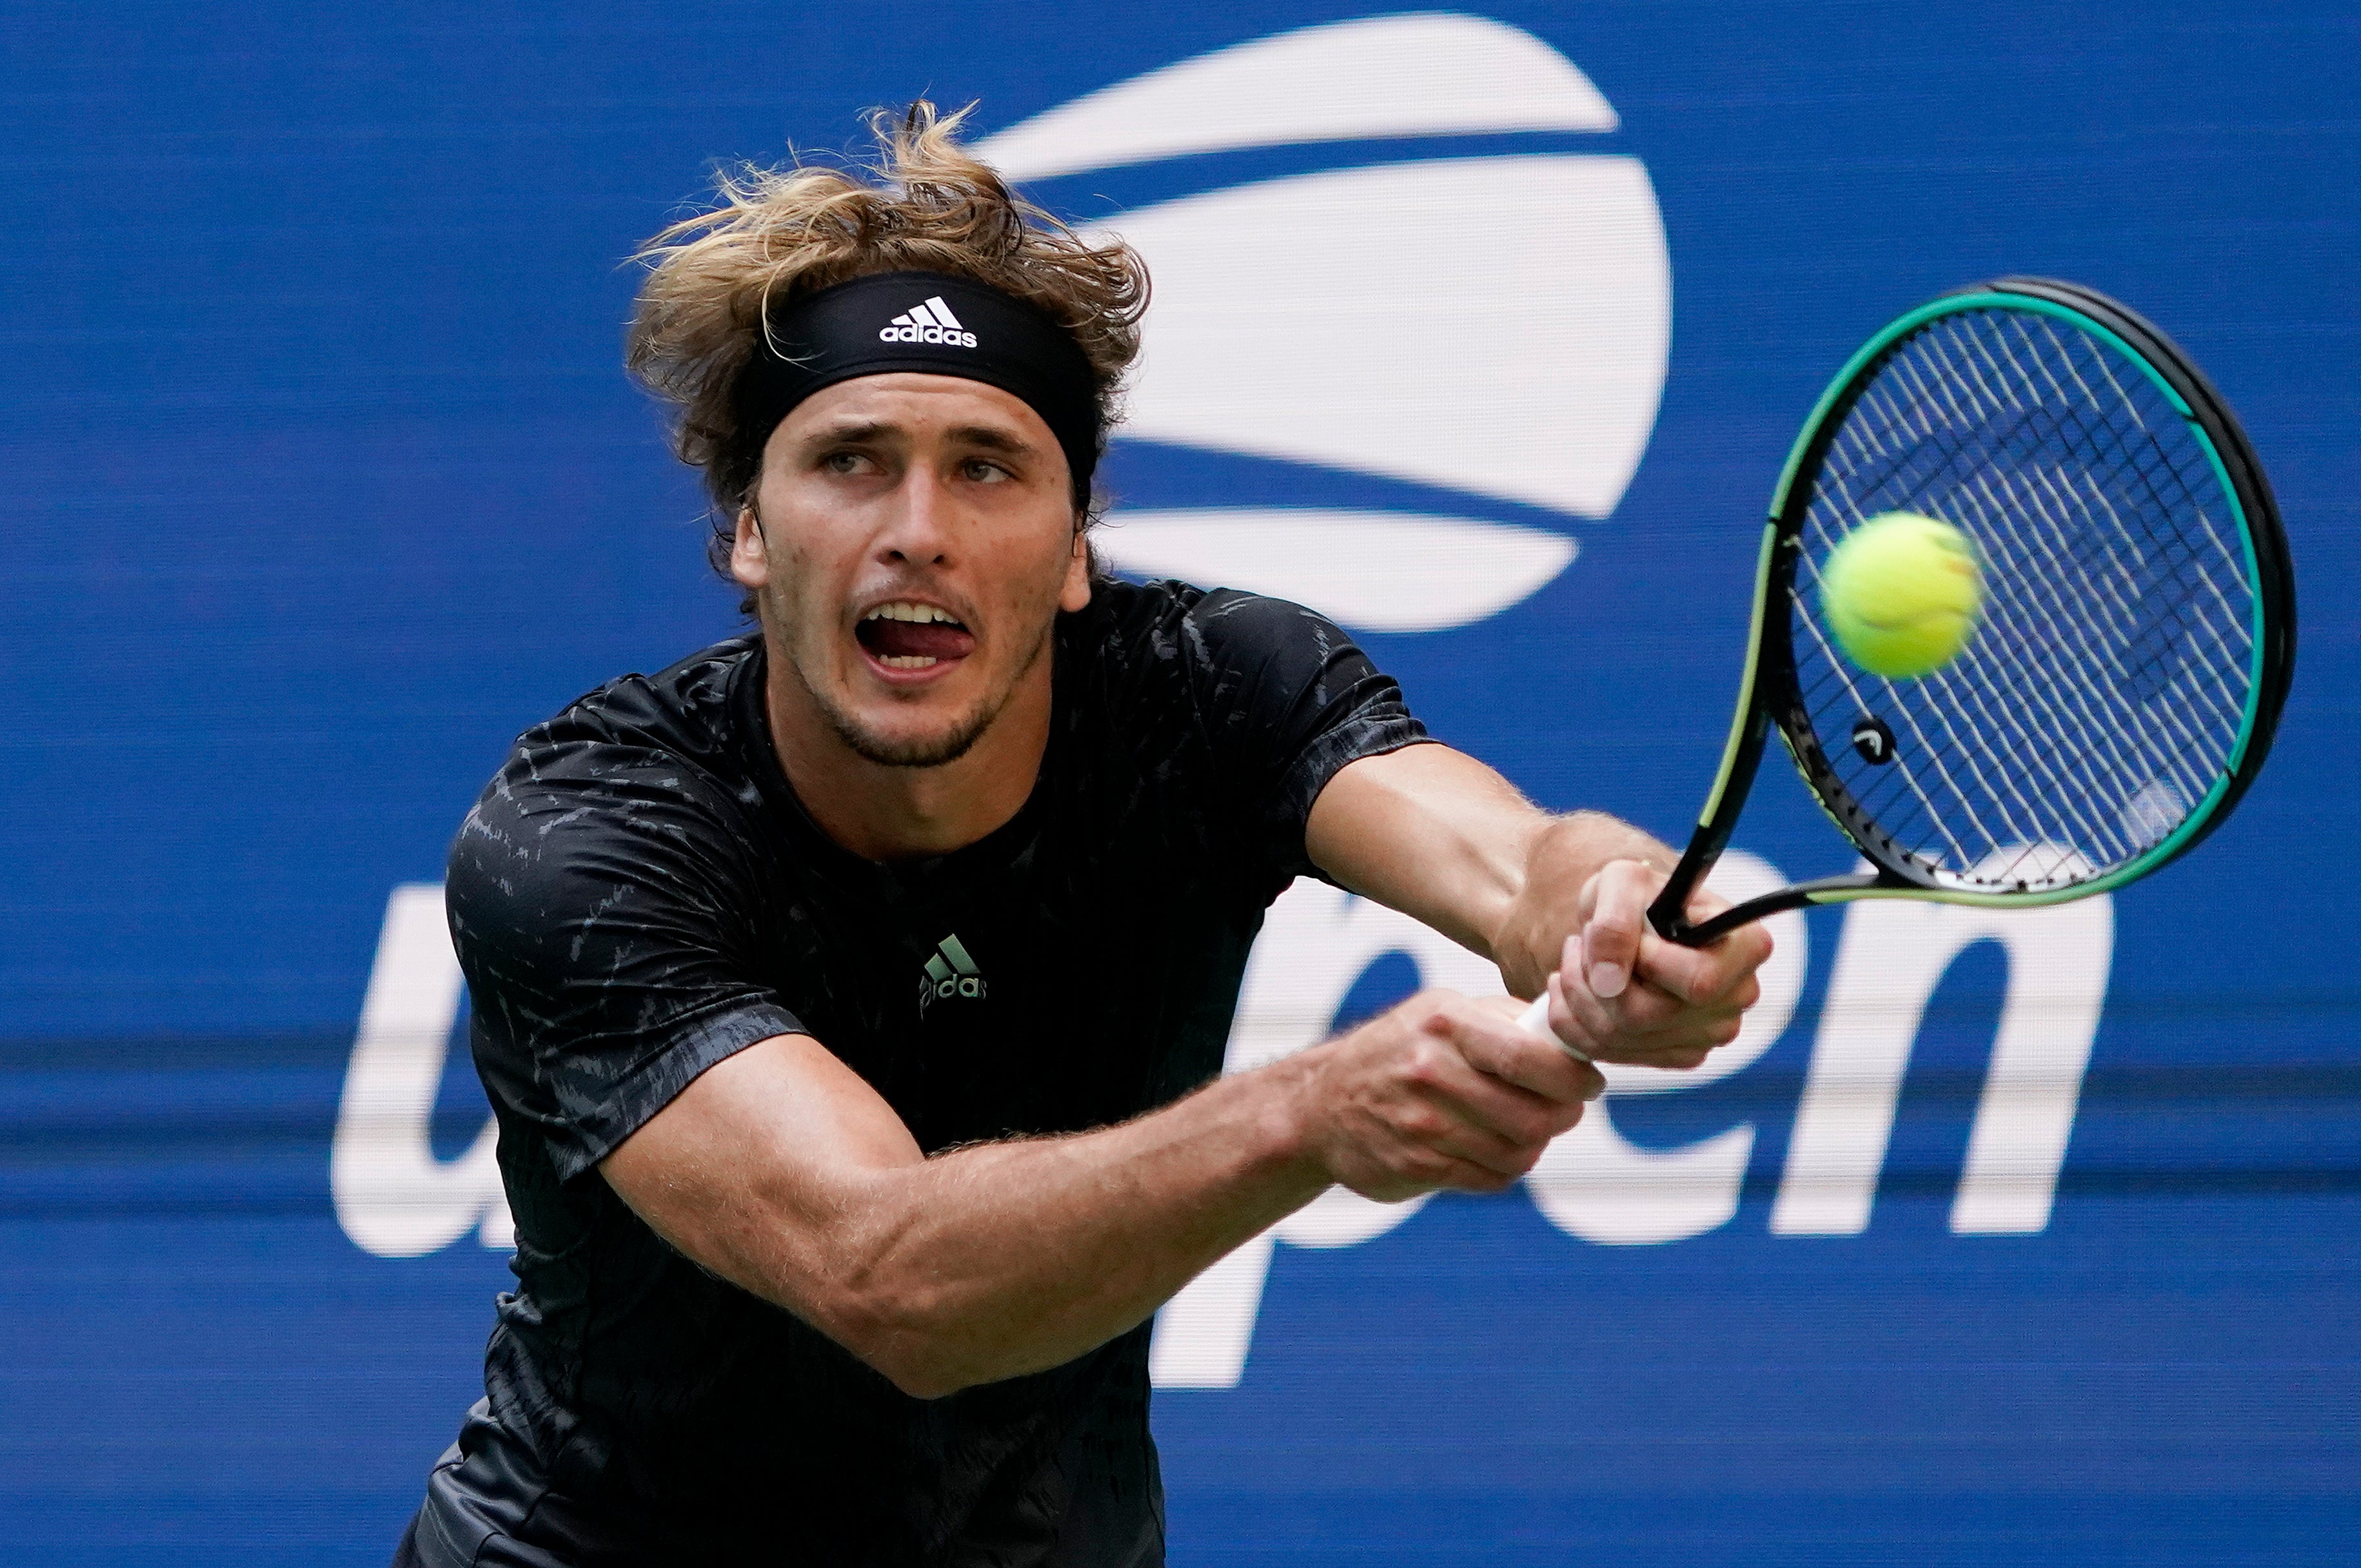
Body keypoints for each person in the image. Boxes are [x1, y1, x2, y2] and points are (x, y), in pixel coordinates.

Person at [393, 104, 1772, 1568]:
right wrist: (1308, 1115)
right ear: (746, 529)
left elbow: (1508, 858)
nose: (917, 528)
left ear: (1073, 551)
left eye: (988, 466)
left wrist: (1605, 909)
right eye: (850, 460)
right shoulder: (585, 836)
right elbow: (887, 1277)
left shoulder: (1212, 688)